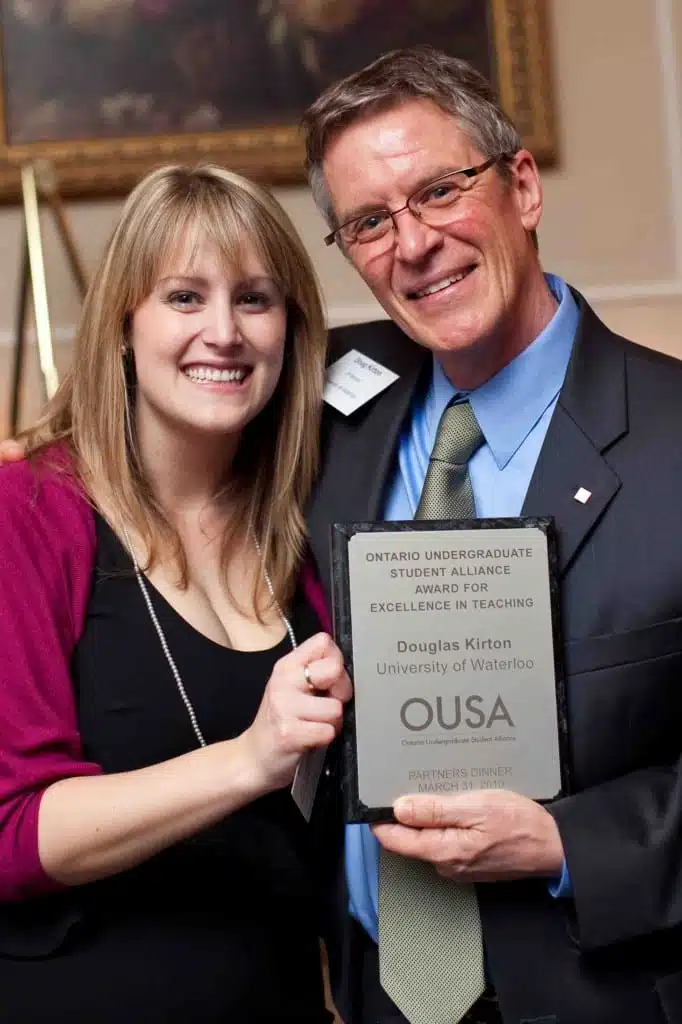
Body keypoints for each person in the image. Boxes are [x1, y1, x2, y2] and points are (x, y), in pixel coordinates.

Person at [299, 45, 682, 1024]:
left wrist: (567, 846)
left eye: (438, 190)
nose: (413, 242)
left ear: (520, 185)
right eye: (370, 222)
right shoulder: (335, 422)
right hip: (378, 993)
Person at [0, 163, 352, 1023]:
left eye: (256, 299)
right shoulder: (29, 514)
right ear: (125, 322)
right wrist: (247, 761)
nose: (224, 332)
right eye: (185, 297)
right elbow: (10, 831)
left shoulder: (307, 523)